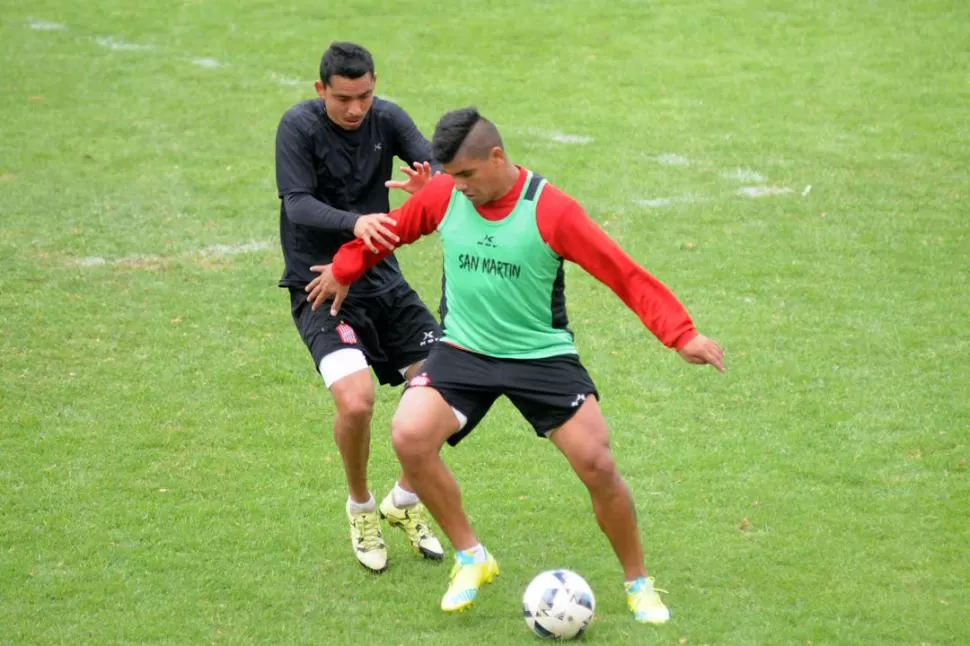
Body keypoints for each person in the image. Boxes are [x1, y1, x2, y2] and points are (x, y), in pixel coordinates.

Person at [304, 107, 726, 624]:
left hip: (540, 356)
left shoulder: (552, 211)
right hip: (464, 350)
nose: (455, 186)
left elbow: (623, 273)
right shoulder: (444, 195)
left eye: (465, 175)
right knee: (409, 436)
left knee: (598, 464)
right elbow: (391, 230)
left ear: (496, 157)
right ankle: (471, 556)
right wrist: (345, 268)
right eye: (449, 175)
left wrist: (680, 334)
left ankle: (639, 583)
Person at [274, 41, 445, 573]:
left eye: (365, 96)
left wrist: (429, 183)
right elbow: (297, 201)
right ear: (320, 89)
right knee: (356, 402)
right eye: (344, 98)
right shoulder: (297, 128)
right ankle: (362, 508)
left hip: (382, 279)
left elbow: (435, 164)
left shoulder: (386, 118)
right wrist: (355, 223)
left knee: (447, 391)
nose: (356, 109)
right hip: (321, 286)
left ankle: (405, 502)